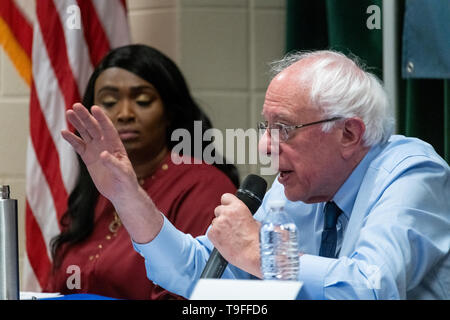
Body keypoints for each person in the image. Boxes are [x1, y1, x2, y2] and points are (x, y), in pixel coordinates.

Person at [61, 50, 450, 299]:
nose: (265, 146)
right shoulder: (295, 190)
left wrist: (258, 252)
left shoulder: (412, 172)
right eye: (265, 127)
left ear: (349, 133)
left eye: (283, 128)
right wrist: (126, 194)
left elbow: (371, 288)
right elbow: (203, 273)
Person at [45, 44, 239, 300]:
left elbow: (197, 290)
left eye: (143, 100)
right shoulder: (96, 185)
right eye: (110, 102)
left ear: (169, 112)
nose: (125, 114)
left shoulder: (204, 186)